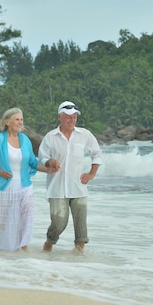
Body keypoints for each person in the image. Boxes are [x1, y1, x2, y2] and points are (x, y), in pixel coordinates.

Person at [0, 108, 50, 252]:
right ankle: (0, 249)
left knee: (27, 217)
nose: (20, 122)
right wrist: (1, 172)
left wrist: (49, 169)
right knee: (1, 221)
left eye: (21, 120)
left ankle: (23, 247)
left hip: (25, 186)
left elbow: (33, 162)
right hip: (5, 188)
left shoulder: (25, 140)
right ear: (7, 122)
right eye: (17, 119)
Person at [39, 101, 103, 253]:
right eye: (68, 117)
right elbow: (41, 157)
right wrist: (49, 162)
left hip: (78, 187)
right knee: (59, 223)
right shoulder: (50, 137)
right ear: (60, 117)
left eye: (74, 117)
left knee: (81, 226)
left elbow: (97, 154)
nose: (72, 120)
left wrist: (92, 173)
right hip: (57, 188)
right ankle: (49, 242)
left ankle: (79, 257)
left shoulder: (84, 135)